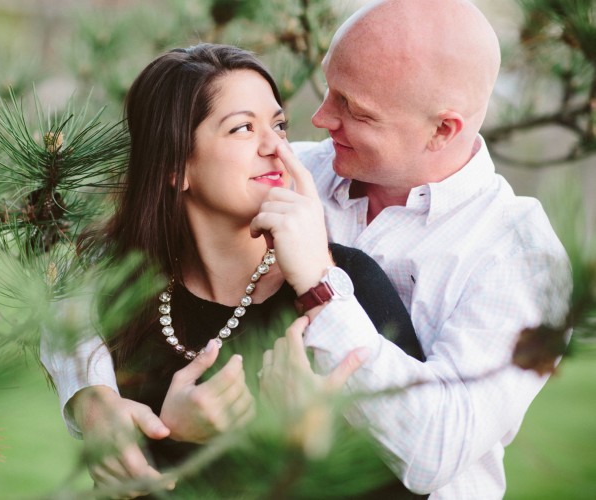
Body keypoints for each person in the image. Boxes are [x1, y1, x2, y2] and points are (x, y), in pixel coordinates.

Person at [41, 43, 424, 497]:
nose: (275, 147)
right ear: (174, 166)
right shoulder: (126, 294)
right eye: (243, 128)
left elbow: (412, 475)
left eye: (279, 125)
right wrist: (161, 431)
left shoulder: (347, 281)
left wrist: (309, 440)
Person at [253, 0, 571, 498]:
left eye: (354, 109)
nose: (319, 118)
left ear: (443, 130)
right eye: (329, 90)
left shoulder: (523, 255)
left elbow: (437, 449)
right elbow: (119, 253)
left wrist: (320, 282)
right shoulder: (298, 172)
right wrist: (92, 396)